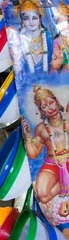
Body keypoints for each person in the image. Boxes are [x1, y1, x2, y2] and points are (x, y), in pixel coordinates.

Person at [22, 85, 69, 215]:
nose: (50, 108)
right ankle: (62, 183)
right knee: (42, 196)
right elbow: (33, 154)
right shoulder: (41, 129)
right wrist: (27, 137)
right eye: (44, 106)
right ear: (40, 110)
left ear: (56, 101)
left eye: (51, 102)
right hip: (52, 163)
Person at [9, 0, 61, 75]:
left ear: (40, 19)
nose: (31, 22)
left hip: (50, 82)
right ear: (22, 21)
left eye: (34, 18)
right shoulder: (17, 41)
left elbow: (59, 63)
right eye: (26, 18)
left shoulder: (48, 37)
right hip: (27, 83)